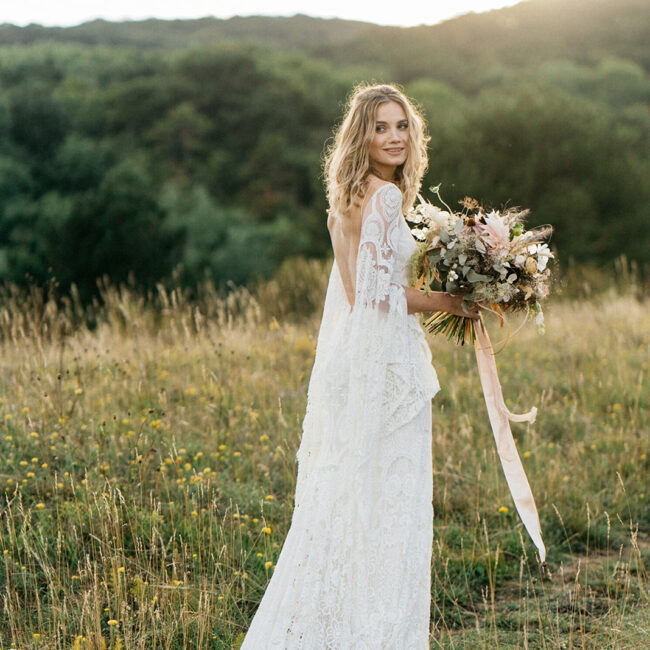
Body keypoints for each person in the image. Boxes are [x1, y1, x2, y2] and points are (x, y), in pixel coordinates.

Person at [241, 83, 480, 649]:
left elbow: (355, 292)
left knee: (350, 501)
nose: (394, 137)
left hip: (354, 361)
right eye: (381, 127)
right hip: (384, 368)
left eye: (402, 126)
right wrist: (453, 300)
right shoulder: (385, 199)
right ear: (362, 135)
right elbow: (376, 297)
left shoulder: (347, 195)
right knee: (387, 509)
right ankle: (376, 634)